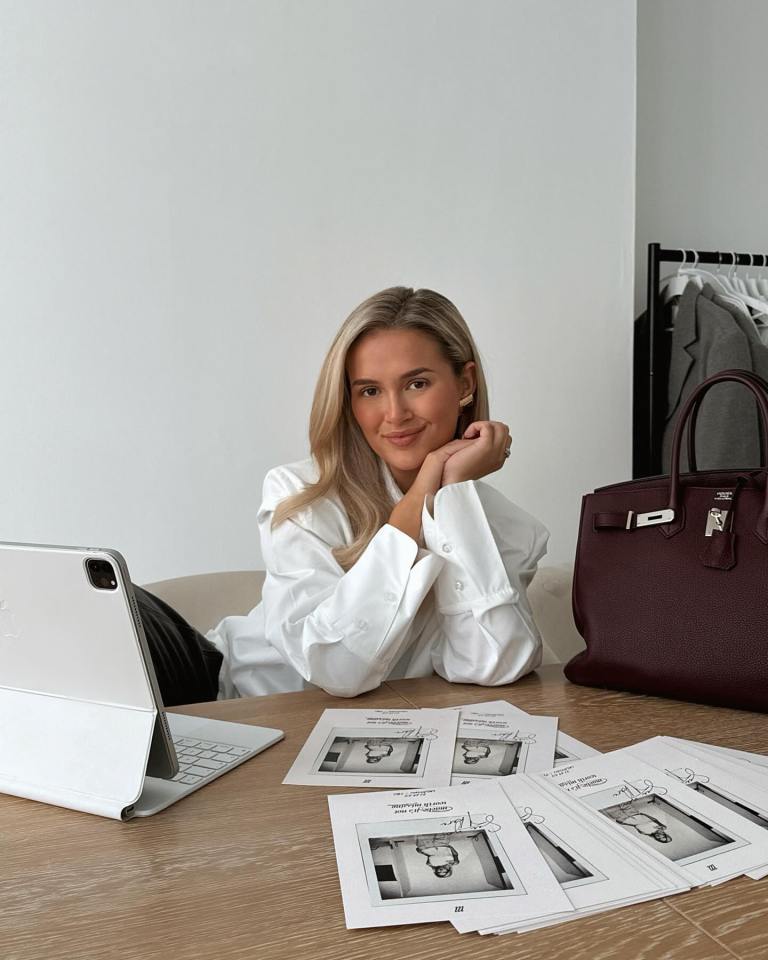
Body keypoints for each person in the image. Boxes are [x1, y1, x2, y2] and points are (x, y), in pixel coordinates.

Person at [209, 286, 549, 698]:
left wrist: (452, 494)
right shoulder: (299, 494)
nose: (394, 414)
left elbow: (494, 664)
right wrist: (421, 497)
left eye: (417, 384)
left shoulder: (506, 530)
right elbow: (333, 668)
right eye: (370, 391)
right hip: (216, 691)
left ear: (465, 383)